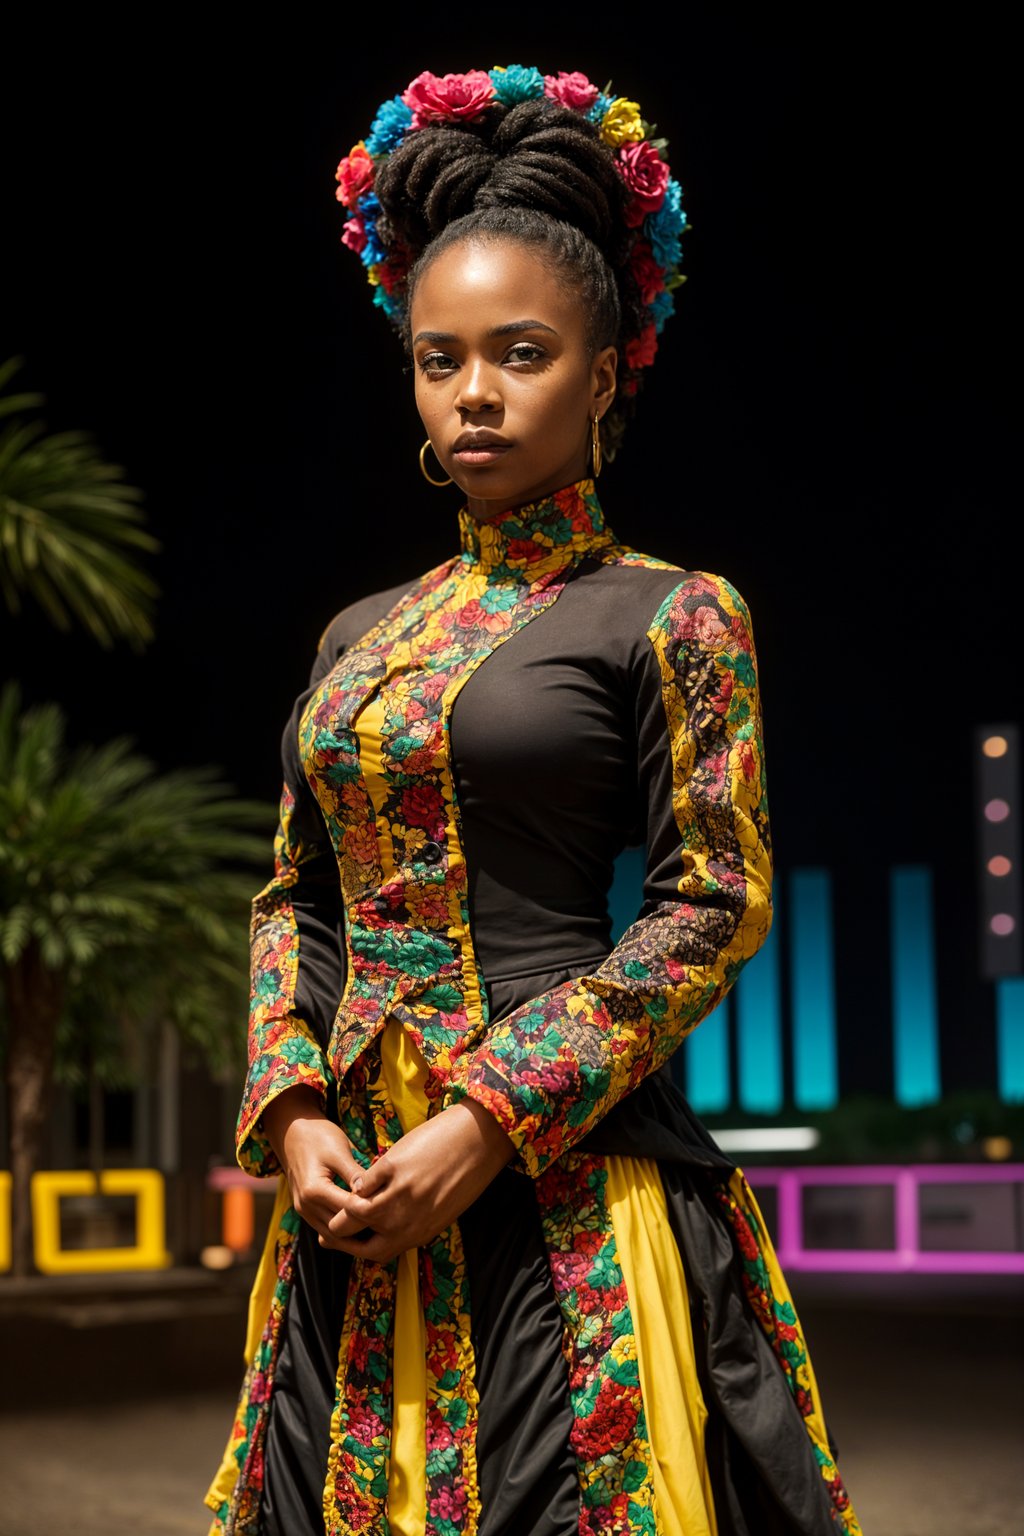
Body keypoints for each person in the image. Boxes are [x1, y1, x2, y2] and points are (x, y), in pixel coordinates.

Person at [205, 65, 862, 1536]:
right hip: (353, 1206)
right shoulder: (356, 634)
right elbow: (292, 899)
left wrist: (491, 1118)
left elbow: (712, 905)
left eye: (520, 353)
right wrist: (297, 1106)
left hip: (571, 1206)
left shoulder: (675, 612)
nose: (476, 393)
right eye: (440, 360)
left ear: (610, 366)